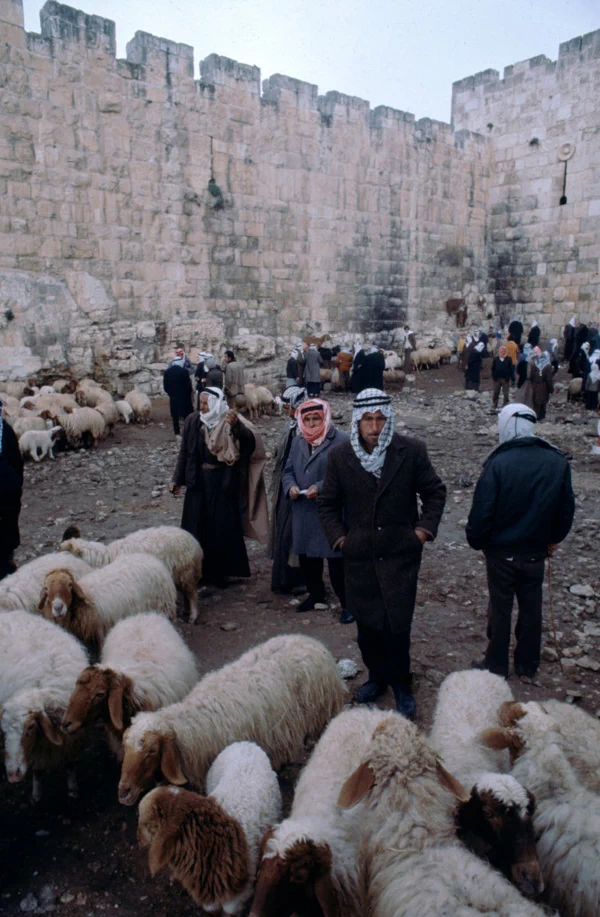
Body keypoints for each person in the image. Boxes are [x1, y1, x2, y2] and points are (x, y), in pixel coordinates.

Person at [318, 388, 446, 718]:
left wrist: (421, 532)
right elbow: (328, 504)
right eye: (368, 420)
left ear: (388, 419)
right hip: (359, 556)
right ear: (358, 421)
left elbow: (434, 491)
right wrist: (341, 540)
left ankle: (401, 683)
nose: (374, 427)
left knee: (397, 624)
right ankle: (376, 678)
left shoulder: (410, 451)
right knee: (368, 626)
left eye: (380, 419)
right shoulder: (340, 456)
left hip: (400, 555)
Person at [466, 403, 575, 679]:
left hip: (501, 553)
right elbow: (565, 509)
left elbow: (483, 509)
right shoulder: (556, 461)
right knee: (531, 608)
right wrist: (553, 540)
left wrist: (477, 540)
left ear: (507, 426)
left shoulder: (498, 462)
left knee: (500, 608)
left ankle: (496, 665)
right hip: (535, 553)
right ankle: (527, 665)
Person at [170, 388, 267, 587]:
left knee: (220, 529)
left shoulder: (229, 420)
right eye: (201, 403)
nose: (202, 407)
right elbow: (185, 453)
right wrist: (177, 479)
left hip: (222, 483)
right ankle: (197, 571)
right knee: (196, 527)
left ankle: (221, 573)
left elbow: (248, 444)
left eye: (206, 404)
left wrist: (238, 427)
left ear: (215, 404)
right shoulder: (193, 421)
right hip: (198, 483)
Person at [281, 399, 352, 623]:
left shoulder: (341, 441)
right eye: (307, 418)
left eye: (316, 418)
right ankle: (316, 594)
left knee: (336, 560)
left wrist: (320, 487)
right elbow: (288, 470)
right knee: (308, 558)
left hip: (329, 510)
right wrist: (290, 486)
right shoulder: (299, 440)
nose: (311, 423)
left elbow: (346, 474)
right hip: (303, 508)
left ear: (325, 418)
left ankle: (348, 604)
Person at [268, 385, 309, 595]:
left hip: (301, 492)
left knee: (297, 536)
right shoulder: (290, 427)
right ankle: (284, 578)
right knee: (284, 533)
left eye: (288, 406)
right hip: (286, 487)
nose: (286, 411)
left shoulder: (308, 430)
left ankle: (300, 579)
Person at [0, 399, 24, 580]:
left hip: (7, 494)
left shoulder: (6, 433)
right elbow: (17, 465)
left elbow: (16, 466)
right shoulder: (5, 431)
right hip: (9, 493)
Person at [163, 351, 194, 437]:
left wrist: (170, 394)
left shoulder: (167, 372)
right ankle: (186, 431)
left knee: (175, 415)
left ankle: (176, 433)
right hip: (184, 397)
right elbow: (188, 386)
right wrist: (188, 394)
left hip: (173, 397)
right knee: (185, 414)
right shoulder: (184, 372)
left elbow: (165, 387)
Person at [522, 348, 554, 421]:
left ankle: (535, 415)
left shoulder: (534, 364)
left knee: (535, 401)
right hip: (544, 386)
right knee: (543, 402)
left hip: (534, 385)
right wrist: (551, 389)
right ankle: (541, 417)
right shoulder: (548, 366)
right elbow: (549, 379)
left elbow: (529, 376)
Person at [491, 345, 512, 410]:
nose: (503, 352)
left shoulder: (509, 359)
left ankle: (505, 406)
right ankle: (495, 405)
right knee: (495, 392)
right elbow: (493, 368)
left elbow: (511, 369)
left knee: (506, 393)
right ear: (499, 351)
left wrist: (508, 377)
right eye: (501, 351)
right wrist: (494, 377)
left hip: (505, 379)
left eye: (504, 351)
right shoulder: (496, 359)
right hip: (497, 379)